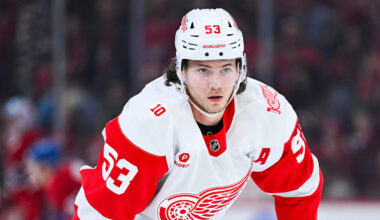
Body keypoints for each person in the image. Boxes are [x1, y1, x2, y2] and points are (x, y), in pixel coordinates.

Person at [73, 8, 323, 220]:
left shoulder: (267, 112)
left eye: (225, 69)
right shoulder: (150, 122)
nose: (216, 84)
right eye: (203, 70)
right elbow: (100, 212)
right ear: (180, 70)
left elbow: (301, 192)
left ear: (241, 68)